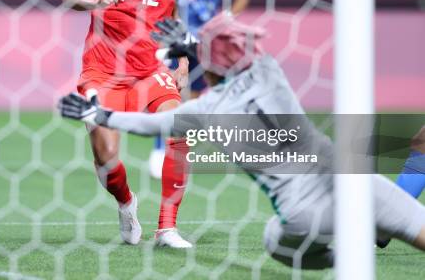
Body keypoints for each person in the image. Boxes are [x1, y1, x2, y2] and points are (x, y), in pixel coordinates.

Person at [58, 15, 425, 267]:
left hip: (303, 215)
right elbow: (247, 60)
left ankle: (345, 262)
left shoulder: (207, 109)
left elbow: (147, 124)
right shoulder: (269, 76)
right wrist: (191, 46)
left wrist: (99, 115)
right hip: (354, 183)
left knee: (274, 241)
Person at [61, 0, 192, 248]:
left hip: (150, 69)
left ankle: (167, 228)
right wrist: (96, 0)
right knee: (105, 157)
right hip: (103, 70)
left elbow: (171, 12)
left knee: (181, 126)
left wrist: (181, 59)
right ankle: (125, 203)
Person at [148, 0, 250, 179]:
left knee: (194, 97)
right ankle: (160, 150)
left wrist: (225, 20)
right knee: (169, 92)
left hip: (206, 39)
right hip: (172, 34)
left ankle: (181, 150)